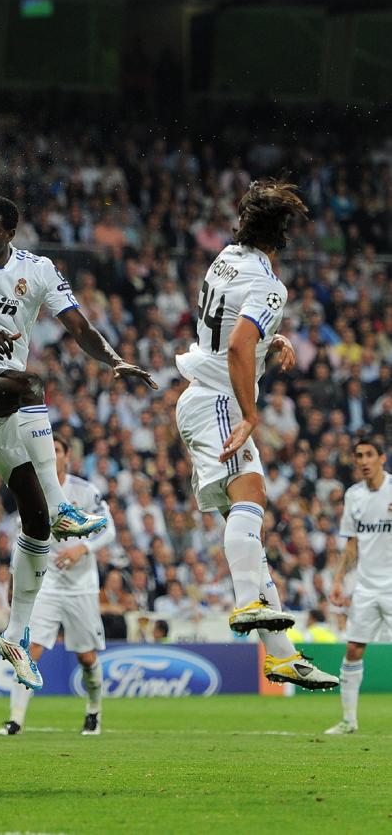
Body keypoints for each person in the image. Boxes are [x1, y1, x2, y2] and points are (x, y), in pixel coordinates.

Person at [0, 196, 156, 689]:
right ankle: (64, 507)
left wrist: (114, 359)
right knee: (28, 383)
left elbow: (78, 326)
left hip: (4, 405)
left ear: (9, 231)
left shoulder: (38, 270)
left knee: (33, 523)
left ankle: (14, 636)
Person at [174, 180, 337, 691]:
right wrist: (250, 414)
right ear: (283, 234)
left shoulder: (224, 258)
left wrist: (275, 338)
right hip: (221, 401)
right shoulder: (270, 285)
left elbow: (229, 329)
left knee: (243, 524)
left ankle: (283, 656)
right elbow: (242, 345)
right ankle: (248, 603)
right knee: (252, 499)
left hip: (196, 395)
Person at [0, 437, 116, 737]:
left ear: (66, 458)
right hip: (46, 585)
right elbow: (20, 544)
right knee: (29, 650)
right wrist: (14, 583)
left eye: (58, 450)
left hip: (81, 586)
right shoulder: (32, 492)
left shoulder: (85, 491)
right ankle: (15, 720)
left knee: (86, 657)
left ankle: (93, 712)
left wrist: (83, 549)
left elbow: (109, 528)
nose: (52, 453)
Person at [325, 438, 392, 734]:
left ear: (382, 458)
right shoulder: (353, 496)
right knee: (353, 648)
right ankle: (349, 720)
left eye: (369, 455)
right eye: (359, 456)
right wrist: (339, 580)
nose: (363, 461)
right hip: (365, 586)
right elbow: (352, 544)